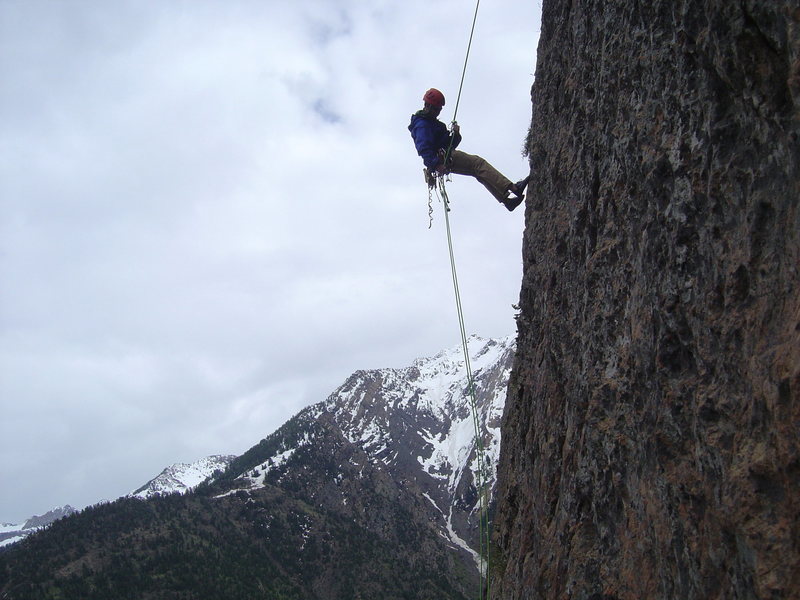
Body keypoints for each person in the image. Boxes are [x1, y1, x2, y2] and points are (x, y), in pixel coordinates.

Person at [408, 88, 530, 211]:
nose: (438, 112)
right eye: (436, 109)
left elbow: (450, 144)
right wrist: (436, 164)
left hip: (444, 155)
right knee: (478, 164)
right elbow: (423, 148)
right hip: (442, 157)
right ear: (428, 106)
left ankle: (507, 201)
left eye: (439, 109)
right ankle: (514, 189)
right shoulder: (422, 125)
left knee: (476, 171)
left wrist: (455, 134)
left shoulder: (430, 123)